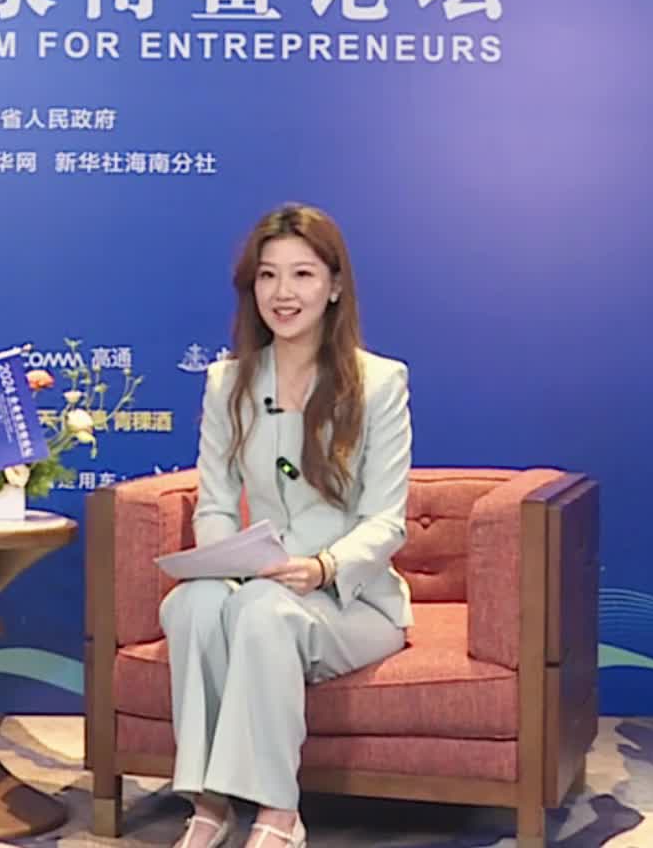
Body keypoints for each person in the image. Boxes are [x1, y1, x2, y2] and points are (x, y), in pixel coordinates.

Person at [162, 203, 414, 848]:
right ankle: (209, 805)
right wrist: (223, 564)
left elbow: (386, 521)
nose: (283, 293)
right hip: (260, 582)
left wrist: (323, 567)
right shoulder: (228, 383)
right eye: (268, 275)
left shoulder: (379, 383)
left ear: (334, 286)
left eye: (302, 274)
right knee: (191, 604)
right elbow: (216, 502)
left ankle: (279, 813)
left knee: (265, 612)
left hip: (352, 601)